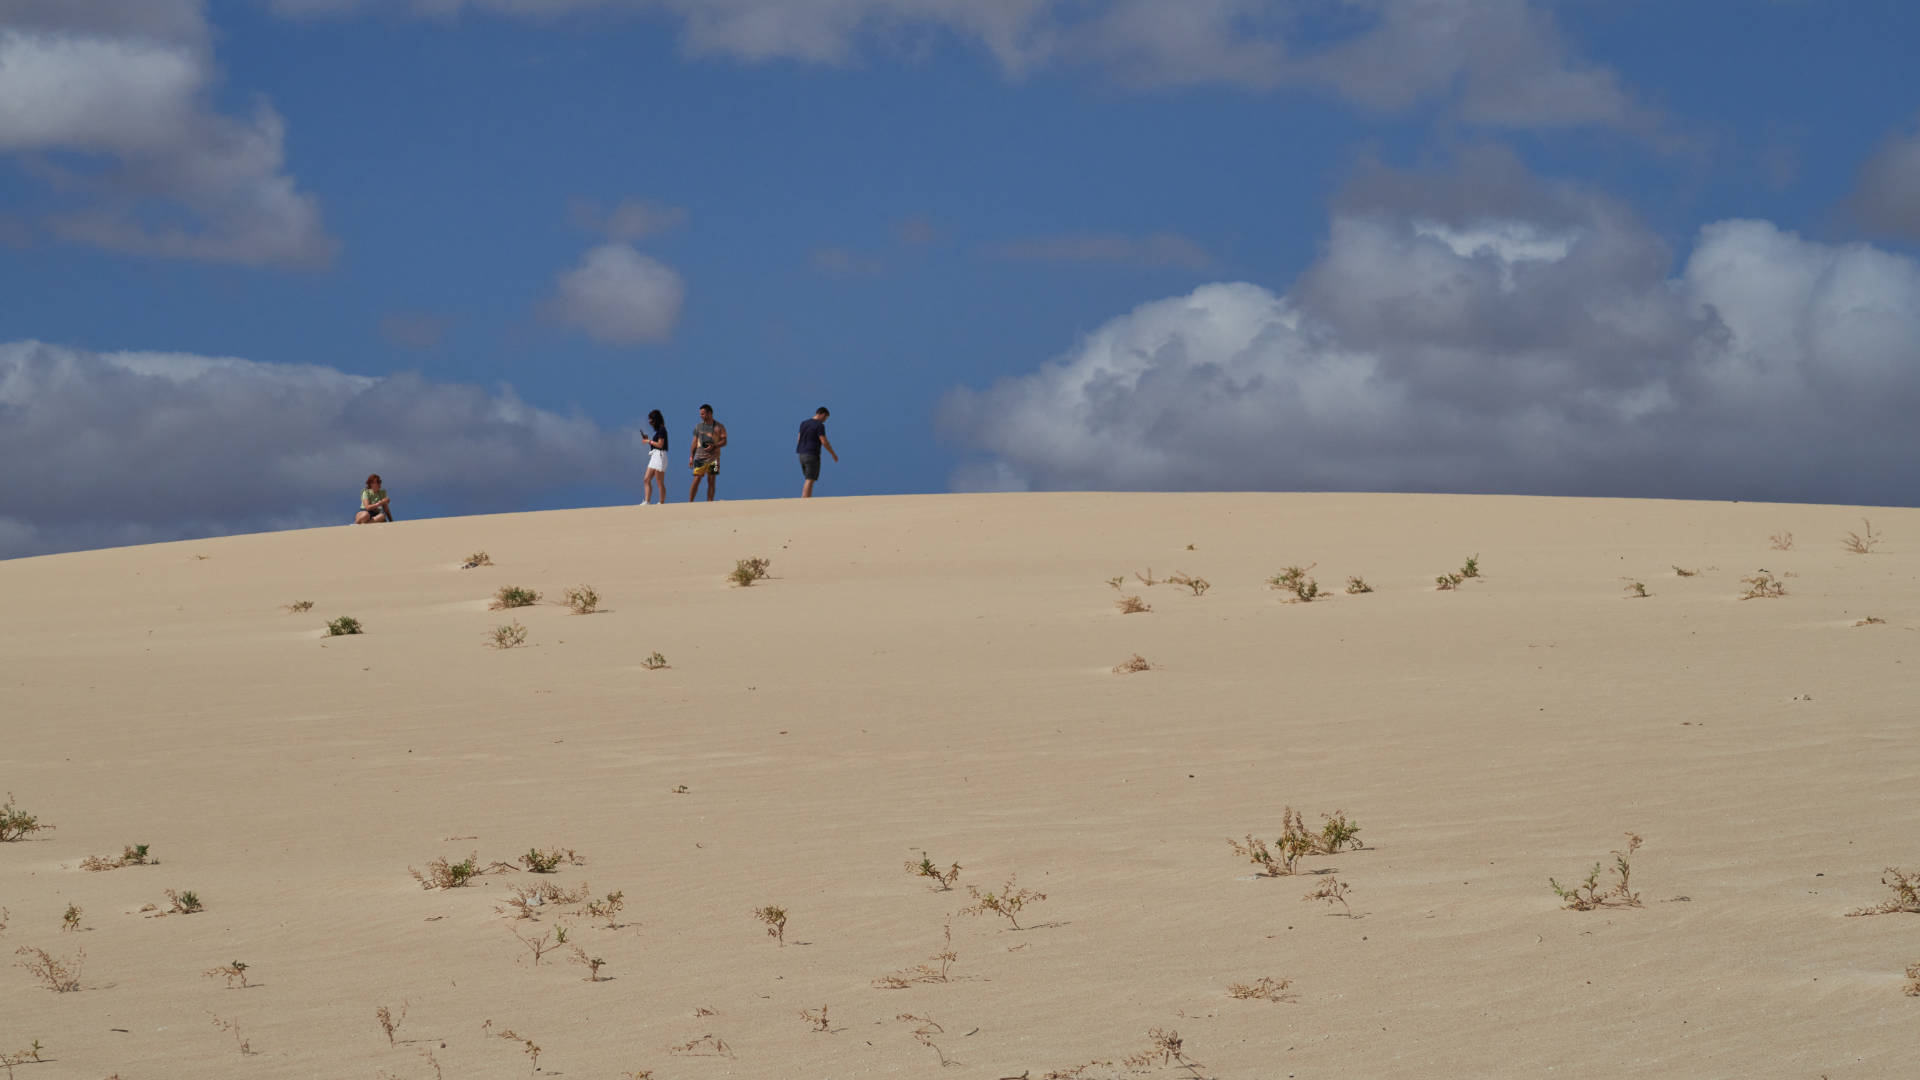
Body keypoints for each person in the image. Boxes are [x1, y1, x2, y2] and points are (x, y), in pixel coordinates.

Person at [687, 403, 727, 502]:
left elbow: (724, 441)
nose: (701, 416)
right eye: (700, 414)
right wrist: (691, 457)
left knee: (711, 481)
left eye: (703, 414)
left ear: (710, 413)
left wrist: (715, 446)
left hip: (714, 457)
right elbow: (694, 443)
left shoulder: (719, 426)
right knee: (696, 479)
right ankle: (690, 502)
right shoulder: (698, 427)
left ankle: (710, 503)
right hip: (700, 457)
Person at [796, 406, 838, 497]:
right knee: (810, 479)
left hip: (801, 454)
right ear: (822, 414)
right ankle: (805, 501)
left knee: (808, 479)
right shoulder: (819, 425)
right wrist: (833, 454)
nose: (825, 420)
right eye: (825, 418)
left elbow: (798, 439)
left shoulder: (803, 423)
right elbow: (824, 441)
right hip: (811, 454)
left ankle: (806, 499)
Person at [640, 409, 669, 505]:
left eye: (651, 420)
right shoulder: (659, 431)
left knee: (659, 482)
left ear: (655, 420)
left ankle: (661, 502)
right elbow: (656, 445)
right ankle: (647, 501)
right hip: (655, 455)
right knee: (646, 479)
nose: (649, 422)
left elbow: (660, 444)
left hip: (660, 456)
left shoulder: (662, 429)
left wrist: (649, 441)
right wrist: (649, 441)